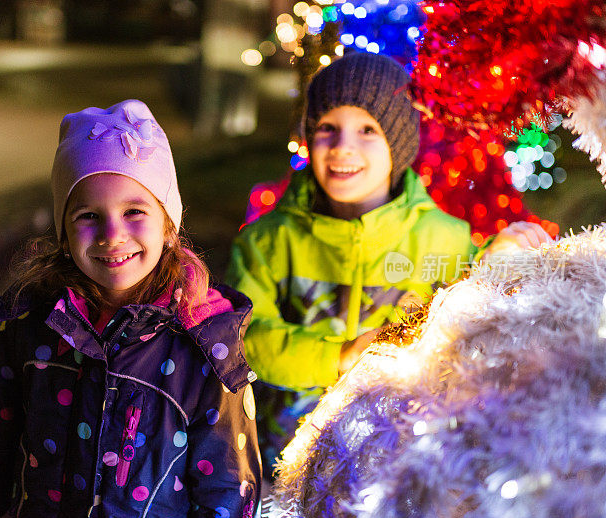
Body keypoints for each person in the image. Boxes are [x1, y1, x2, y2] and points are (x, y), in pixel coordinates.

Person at [224, 51, 551, 480]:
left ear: (398, 141)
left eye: (367, 130)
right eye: (327, 128)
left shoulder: (442, 238)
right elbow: (244, 339)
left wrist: (497, 258)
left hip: (394, 462)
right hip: (283, 461)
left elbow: (471, 309)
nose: (343, 147)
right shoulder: (266, 241)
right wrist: (338, 356)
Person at [0, 99, 260, 518]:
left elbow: (227, 490)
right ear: (64, 232)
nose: (113, 235)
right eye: (89, 216)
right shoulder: (32, 326)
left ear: (168, 225)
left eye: (134, 211)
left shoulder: (203, 348)